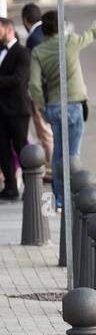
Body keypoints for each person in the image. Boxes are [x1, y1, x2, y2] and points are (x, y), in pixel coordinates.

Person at [28, 11, 96, 209]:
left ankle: (58, 197)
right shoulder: (71, 42)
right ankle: (72, 194)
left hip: (54, 106)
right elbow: (92, 33)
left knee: (58, 153)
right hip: (74, 104)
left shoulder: (38, 52)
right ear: (62, 26)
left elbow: (34, 85)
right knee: (73, 154)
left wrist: (42, 107)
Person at [19, 3, 53, 182]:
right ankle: (51, 165)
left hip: (41, 93)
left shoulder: (33, 39)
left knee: (44, 131)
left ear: (26, 20)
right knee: (47, 131)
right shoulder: (44, 32)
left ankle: (50, 168)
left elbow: (33, 72)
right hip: (50, 90)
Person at [0, 18, 32, 200]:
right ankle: (10, 188)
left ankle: (31, 188)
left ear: (9, 29)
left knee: (21, 149)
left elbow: (18, 80)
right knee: (2, 149)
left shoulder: (22, 53)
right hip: (1, 111)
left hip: (18, 110)